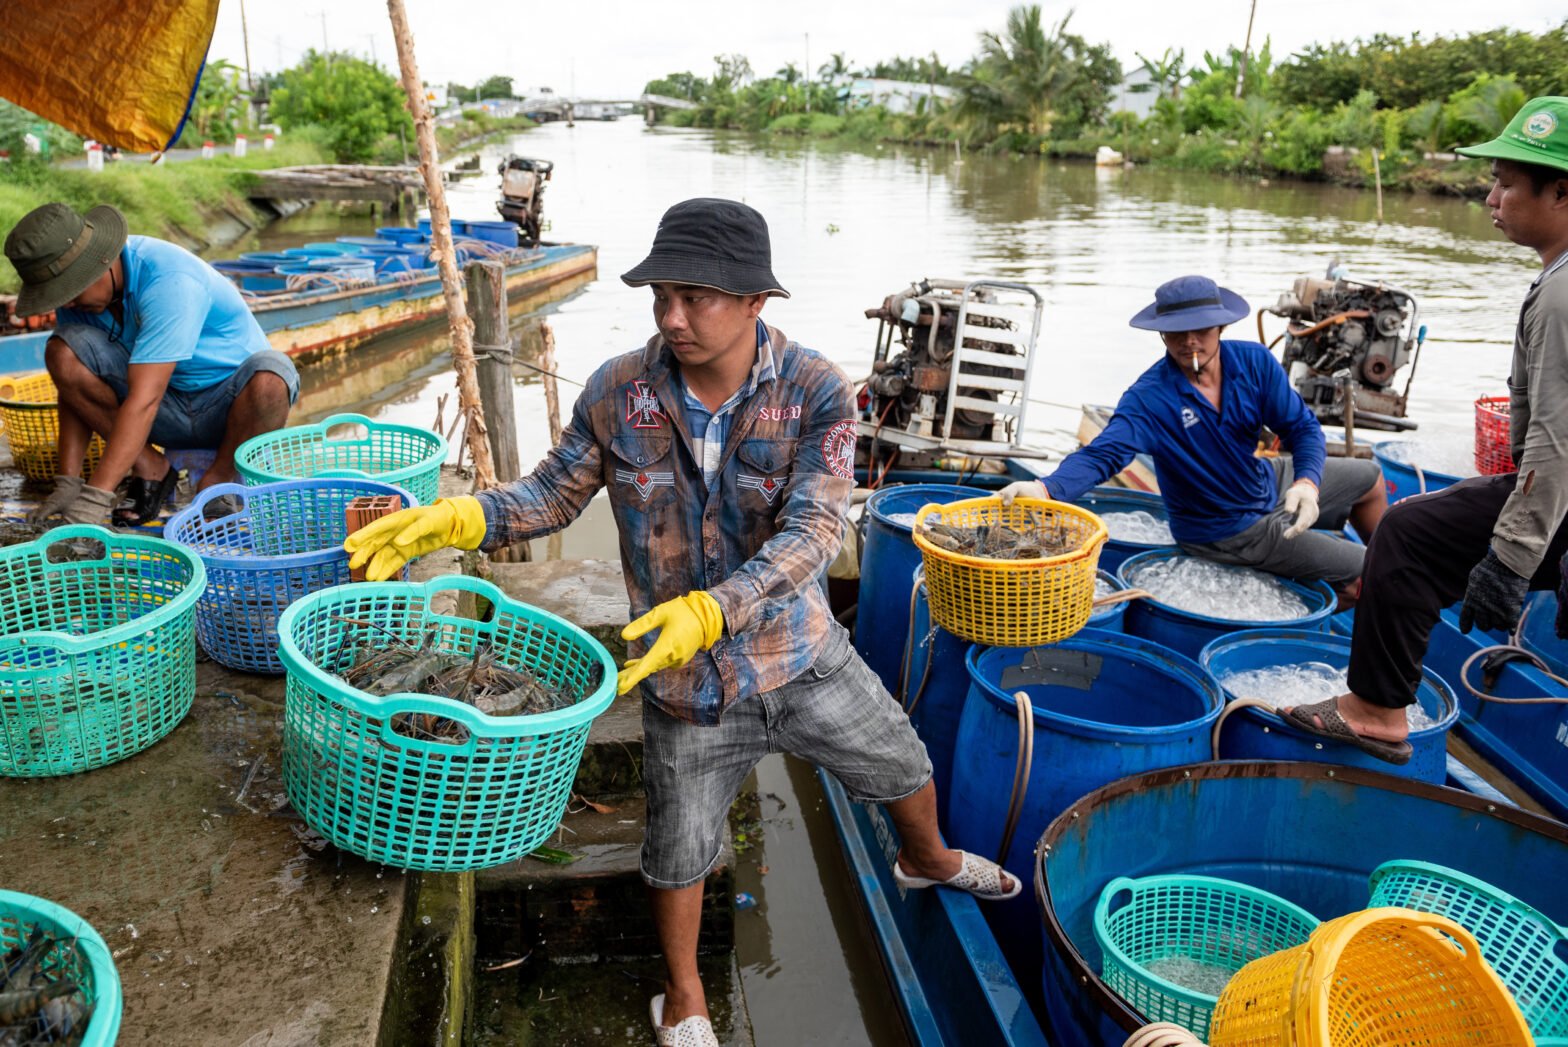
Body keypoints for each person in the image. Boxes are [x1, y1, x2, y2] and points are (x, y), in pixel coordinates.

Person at [342, 198, 1019, 1047]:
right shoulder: (618, 390)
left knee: (902, 763)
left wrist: (717, 606)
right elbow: (552, 493)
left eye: (696, 297)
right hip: (683, 678)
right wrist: (466, 518)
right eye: (662, 294)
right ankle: (687, 994)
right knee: (678, 848)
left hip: (798, 653)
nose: (673, 316)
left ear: (754, 303)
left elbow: (815, 531)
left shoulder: (816, 392)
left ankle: (928, 861)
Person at [1283, 96, 1568, 764]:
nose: (1491, 197)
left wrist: (1512, 557)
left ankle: (1377, 710)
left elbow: (1557, 441)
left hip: (1559, 491)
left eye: (1505, 182)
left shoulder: (1561, 293)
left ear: (1560, 190)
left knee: (1407, 536)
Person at [1000, 274, 1386, 603]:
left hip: (1263, 480)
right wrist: (1046, 489)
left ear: (1221, 328)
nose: (1189, 343)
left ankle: (1396, 566)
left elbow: (1301, 427)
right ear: (1161, 334)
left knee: (1369, 478)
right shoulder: (1150, 398)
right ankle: (1313, 609)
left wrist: (1306, 482)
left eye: (1200, 330)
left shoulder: (1253, 363)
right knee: (1368, 575)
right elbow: (1103, 454)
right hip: (1226, 529)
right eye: (1176, 334)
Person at [3, 202, 298, 526]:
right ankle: (151, 468)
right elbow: (72, 390)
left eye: (71, 292)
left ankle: (219, 481)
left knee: (273, 374)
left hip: (227, 412)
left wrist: (95, 499)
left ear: (102, 262)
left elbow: (145, 401)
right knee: (62, 351)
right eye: (61, 295)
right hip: (164, 411)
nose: (68, 303)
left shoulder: (169, 280)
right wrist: (69, 484)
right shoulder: (81, 302)